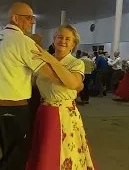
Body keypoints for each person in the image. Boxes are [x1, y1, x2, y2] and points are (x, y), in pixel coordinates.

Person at [0, 2, 69, 170]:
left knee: (8, 152)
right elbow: (52, 75)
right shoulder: (23, 42)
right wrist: (72, 80)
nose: (33, 22)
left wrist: (5, 79)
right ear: (15, 18)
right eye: (29, 18)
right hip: (17, 108)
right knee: (17, 158)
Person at [26, 24, 94, 170]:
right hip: (44, 111)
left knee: (64, 153)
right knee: (44, 153)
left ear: (73, 44)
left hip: (64, 113)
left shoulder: (76, 63)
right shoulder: (42, 60)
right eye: (60, 37)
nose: (63, 40)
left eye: (68, 39)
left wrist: (51, 60)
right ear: (54, 39)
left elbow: (71, 83)